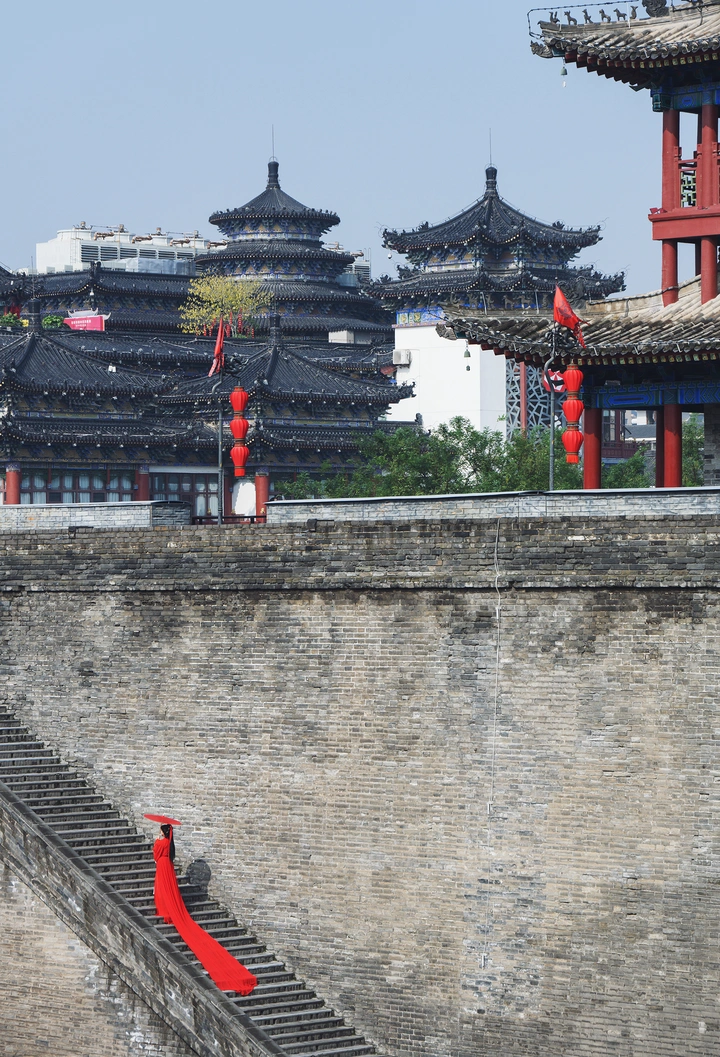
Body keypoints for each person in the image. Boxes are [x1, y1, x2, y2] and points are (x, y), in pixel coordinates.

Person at [153, 823, 257, 995]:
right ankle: (168, 909)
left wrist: (157, 841)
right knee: (168, 889)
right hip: (168, 866)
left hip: (162, 866)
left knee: (163, 889)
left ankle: (165, 910)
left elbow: (156, 855)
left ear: (163, 831)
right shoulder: (170, 844)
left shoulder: (161, 842)